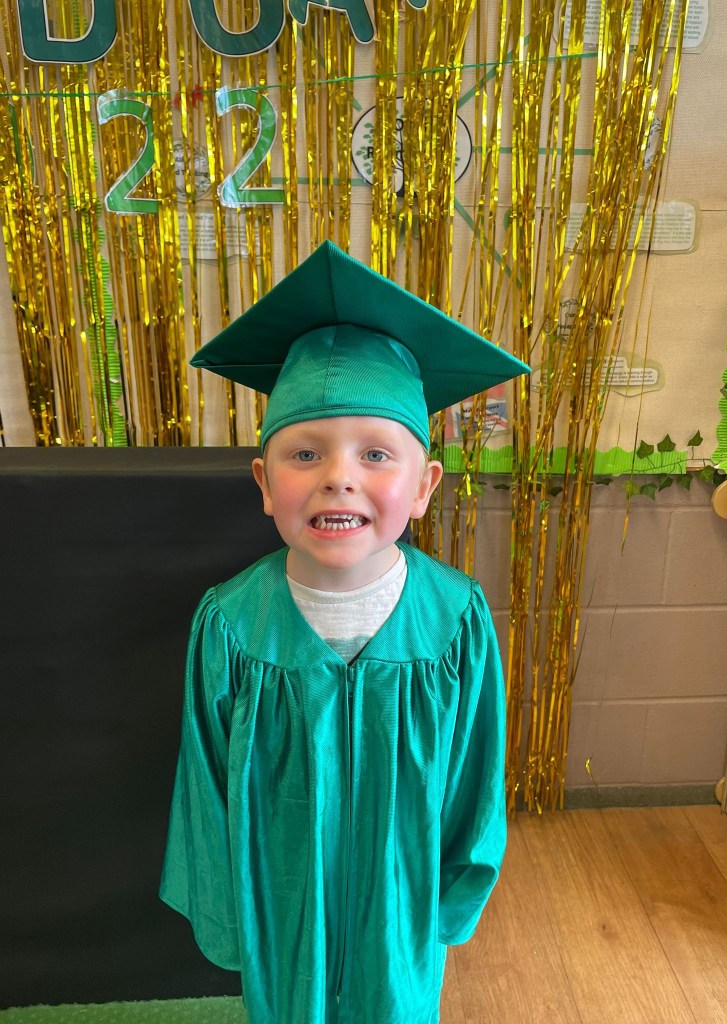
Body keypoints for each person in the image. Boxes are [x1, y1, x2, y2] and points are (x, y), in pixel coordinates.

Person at [159, 240, 530, 1024]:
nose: (339, 475)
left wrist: (454, 893)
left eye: (375, 453)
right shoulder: (230, 625)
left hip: (402, 902)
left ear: (423, 486)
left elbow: (475, 777)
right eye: (305, 452)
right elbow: (205, 786)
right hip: (280, 901)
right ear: (265, 484)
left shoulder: (455, 621)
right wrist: (227, 910)